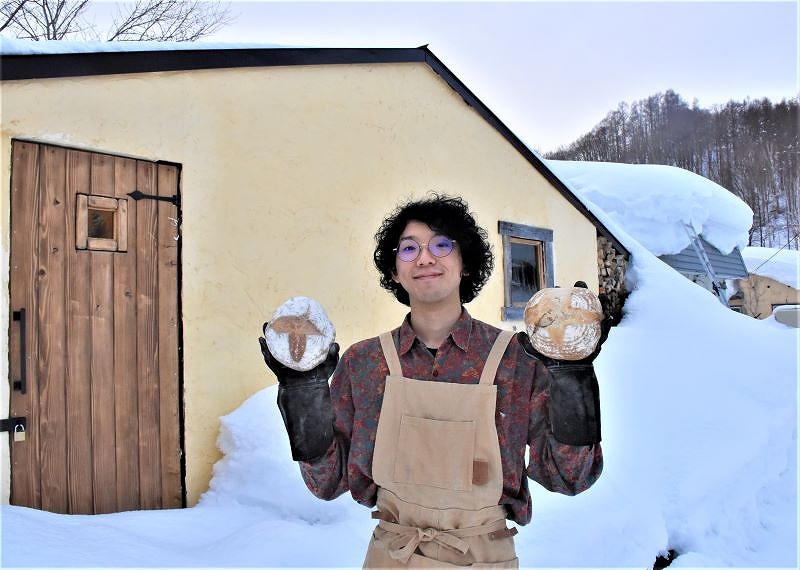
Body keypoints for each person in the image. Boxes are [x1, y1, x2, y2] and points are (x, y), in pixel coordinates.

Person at [260, 194, 607, 568]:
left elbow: (570, 477)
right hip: (392, 557)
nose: (425, 258)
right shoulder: (365, 364)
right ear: (394, 270)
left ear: (466, 264)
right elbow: (327, 483)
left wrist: (573, 381)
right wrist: (303, 395)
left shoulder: (517, 362)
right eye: (408, 249)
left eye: (441, 245)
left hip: (484, 557)